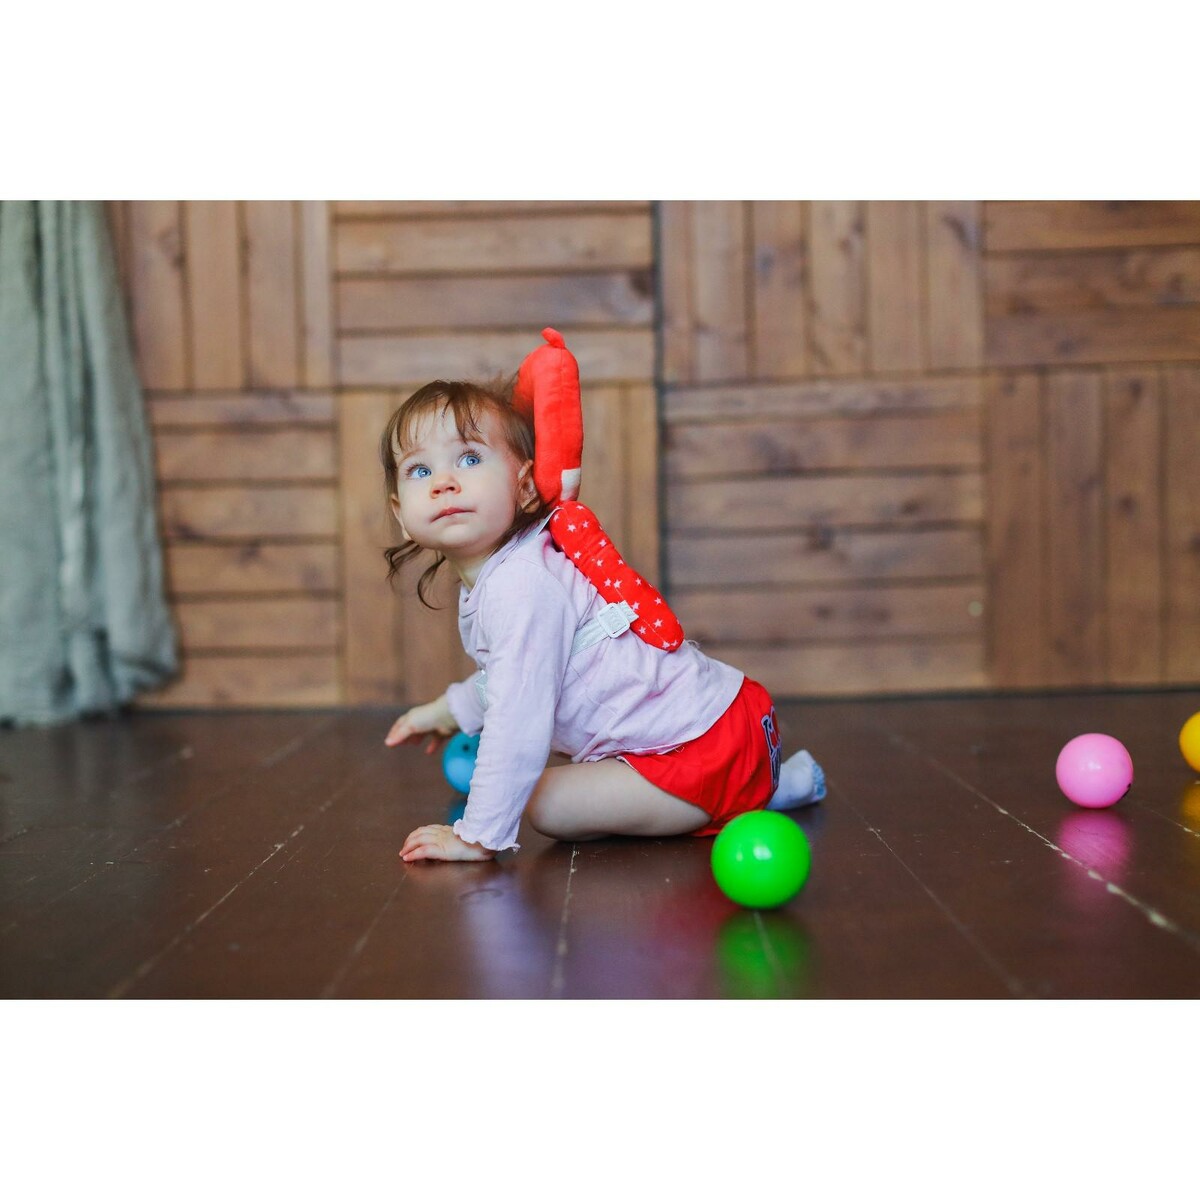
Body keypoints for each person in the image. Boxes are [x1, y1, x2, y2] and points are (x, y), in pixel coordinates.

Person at [380, 377, 825, 863]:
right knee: (564, 780)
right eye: (420, 469)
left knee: (545, 804)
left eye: (469, 459)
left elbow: (517, 716)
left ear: (524, 486)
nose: (443, 482)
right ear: (401, 514)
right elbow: (515, 673)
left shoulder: (520, 585)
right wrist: (447, 711)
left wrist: (478, 834)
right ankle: (768, 785)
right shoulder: (512, 572)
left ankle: (743, 797)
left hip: (700, 746)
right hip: (726, 721)